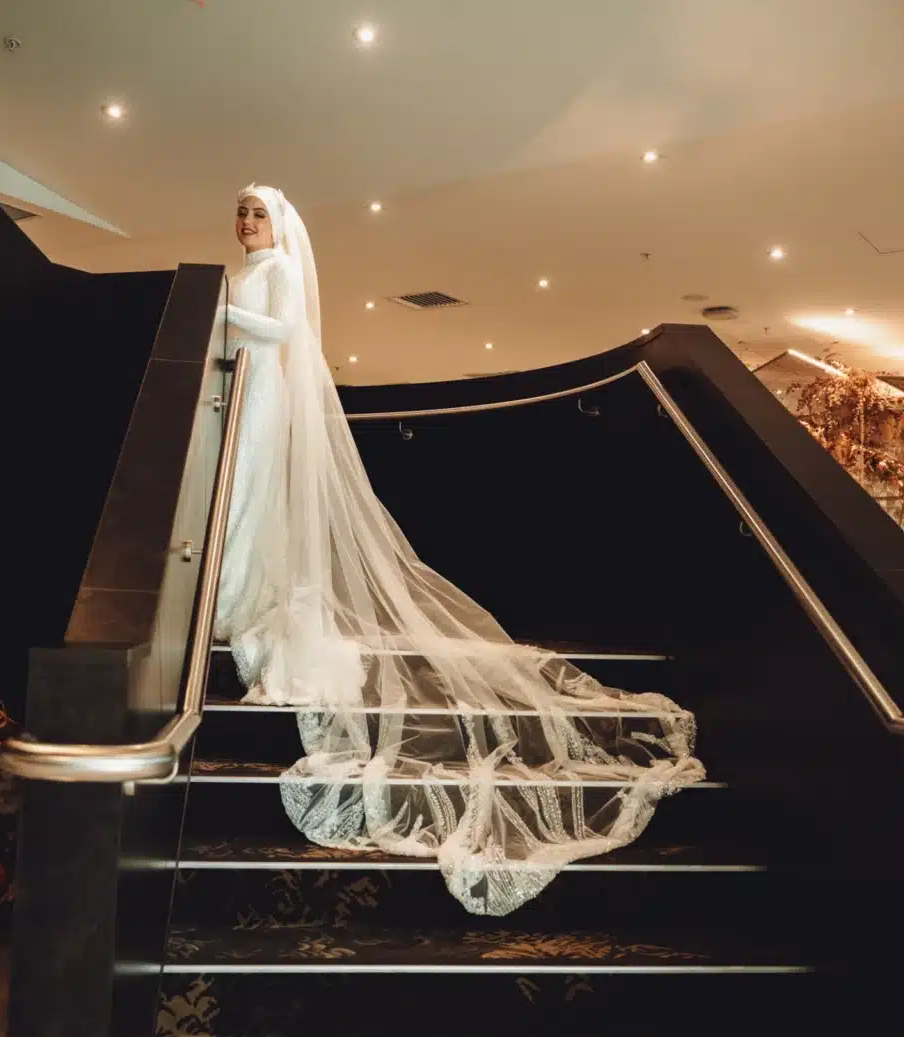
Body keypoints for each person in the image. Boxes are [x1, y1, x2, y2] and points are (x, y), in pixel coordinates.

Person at [213, 185, 706, 917]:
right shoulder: (244, 271)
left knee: (251, 500)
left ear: (277, 225)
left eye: (257, 212)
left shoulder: (277, 271)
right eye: (242, 211)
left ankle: (236, 597)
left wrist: (219, 315)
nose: (246, 221)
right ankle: (235, 597)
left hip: (263, 399)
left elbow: (284, 336)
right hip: (245, 394)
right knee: (240, 505)